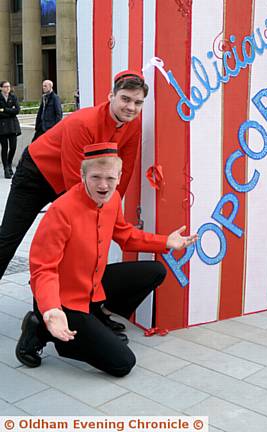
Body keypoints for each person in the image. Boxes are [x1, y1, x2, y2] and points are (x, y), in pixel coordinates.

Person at [15, 143, 197, 374]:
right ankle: (39, 327)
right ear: (82, 176)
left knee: (155, 271)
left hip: (91, 285)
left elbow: (127, 236)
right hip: (62, 300)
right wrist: (51, 309)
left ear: (119, 177)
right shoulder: (61, 210)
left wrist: (165, 242)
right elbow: (43, 268)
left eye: (110, 178)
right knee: (123, 363)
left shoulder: (113, 199)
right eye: (96, 177)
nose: (103, 185)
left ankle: (95, 315)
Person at [0, 69, 146, 282]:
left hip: (74, 181)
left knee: (71, 242)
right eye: (125, 99)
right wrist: (97, 216)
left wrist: (111, 211)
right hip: (36, 174)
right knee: (9, 238)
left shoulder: (134, 125)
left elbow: (123, 172)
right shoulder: (84, 121)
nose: (131, 107)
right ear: (111, 96)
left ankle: (47, 303)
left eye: (138, 102)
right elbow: (74, 179)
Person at [0, 81, 21, 179]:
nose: (7, 88)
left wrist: (5, 110)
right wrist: (10, 110)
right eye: (5, 86)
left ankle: (9, 163)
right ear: (1, 88)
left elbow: (17, 110)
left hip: (13, 126)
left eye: (8, 86)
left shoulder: (13, 97)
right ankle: (6, 169)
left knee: (13, 147)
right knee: (4, 148)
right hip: (2, 127)